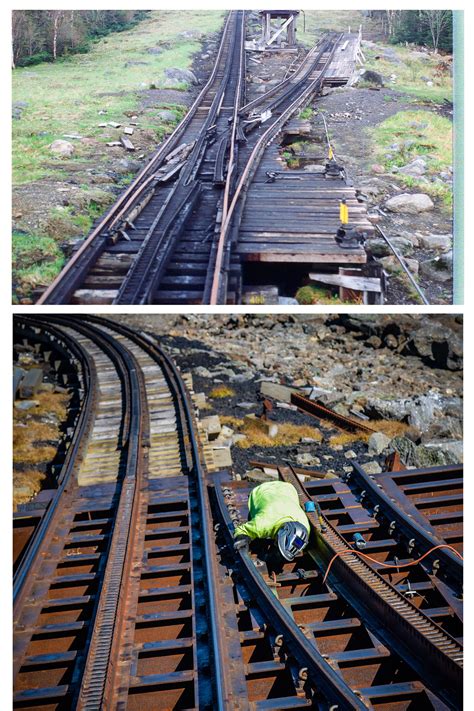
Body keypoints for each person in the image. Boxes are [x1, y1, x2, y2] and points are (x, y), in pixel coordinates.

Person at [233, 481, 310, 561]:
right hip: (263, 490)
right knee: (253, 522)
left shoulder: (305, 527)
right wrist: (243, 538)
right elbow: (241, 530)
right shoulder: (262, 524)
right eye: (277, 543)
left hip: (287, 488)